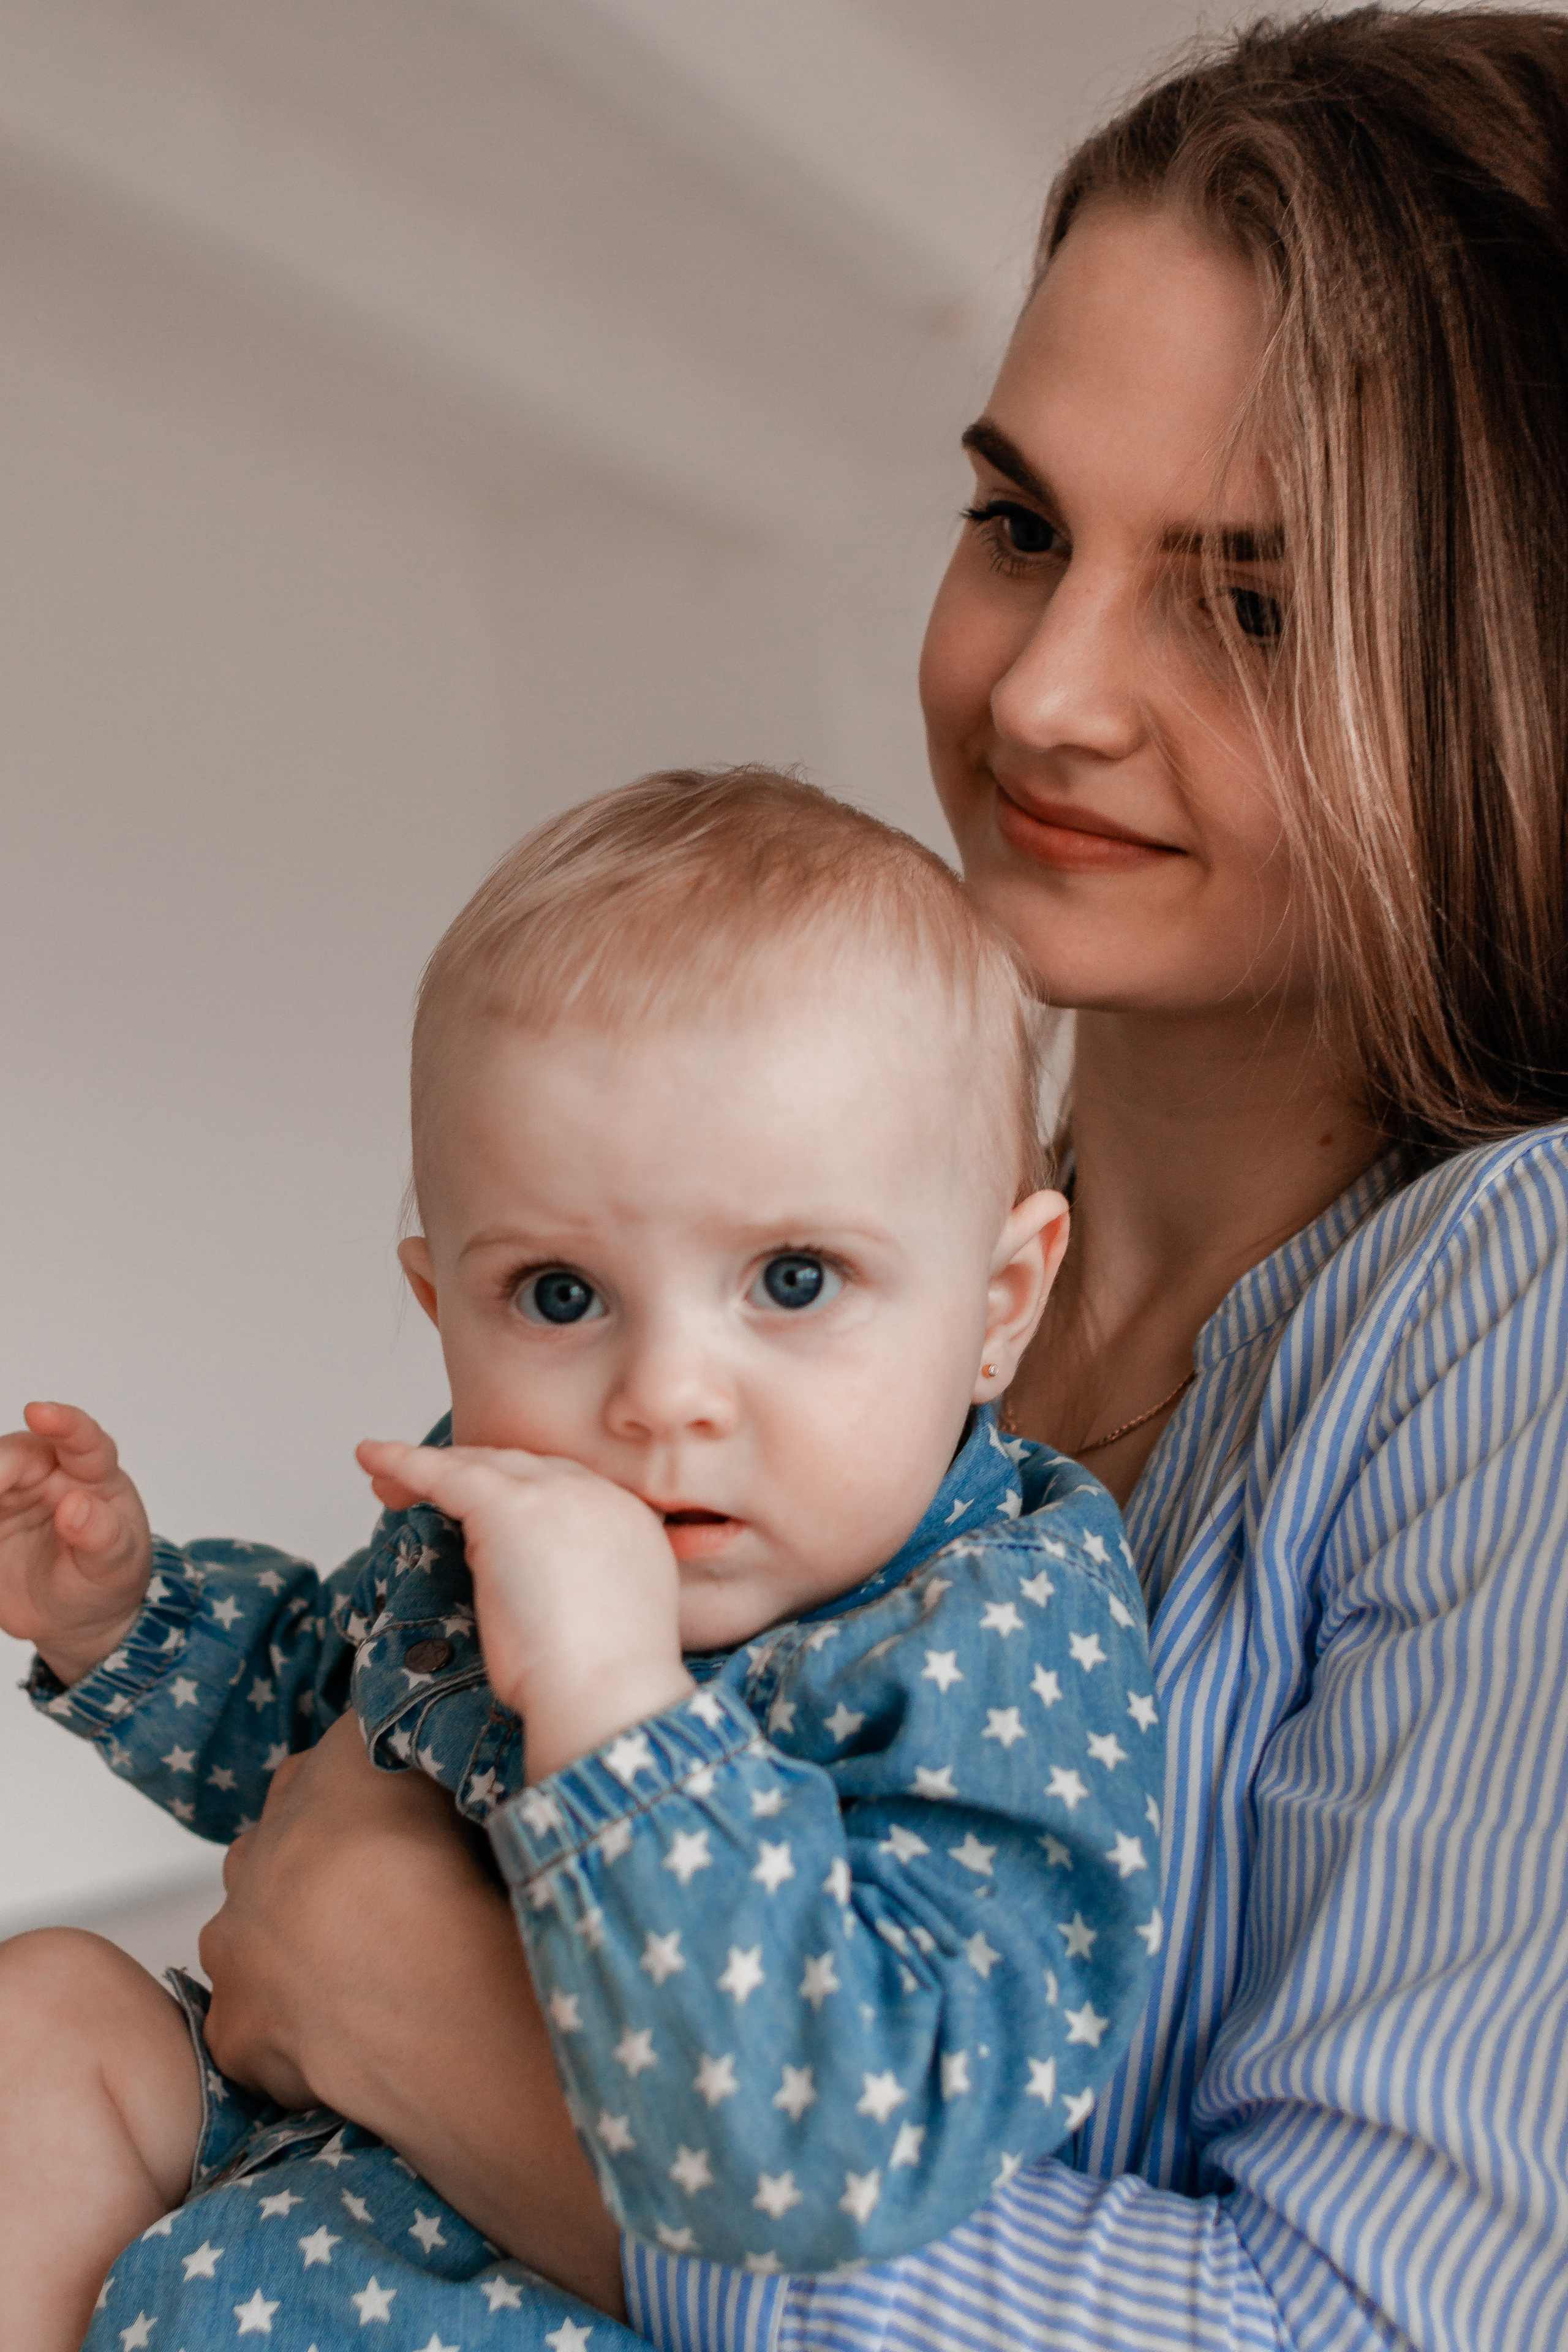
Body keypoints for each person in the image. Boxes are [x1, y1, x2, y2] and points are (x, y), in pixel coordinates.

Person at [8, 6, 1567, 2347]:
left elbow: (1372, 2326)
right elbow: (358, 1705)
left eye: (1248, 600)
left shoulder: (1515, 1304)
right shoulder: (793, 1261)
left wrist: (431, 2030)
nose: (1043, 693)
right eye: (1022, 527)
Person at [0, 770, 1166, 2347]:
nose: (663, 1396)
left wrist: (617, 1704)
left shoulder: (990, 1634)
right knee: (48, 2014)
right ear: (442, 1308)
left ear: (997, 1305)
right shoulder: (499, 1522)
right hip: (306, 2165)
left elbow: (848, 2135)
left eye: (794, 1278)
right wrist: (122, 1616)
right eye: (560, 1295)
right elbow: (317, 1733)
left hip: (565, 2278)